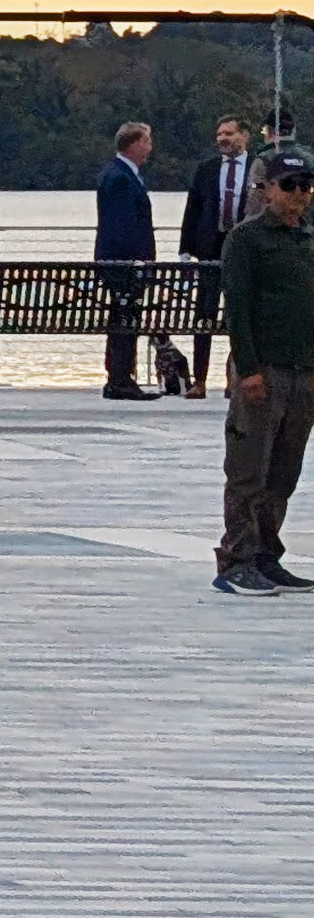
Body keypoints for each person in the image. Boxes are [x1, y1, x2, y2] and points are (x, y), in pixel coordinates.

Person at [211, 149, 314, 596]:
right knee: (249, 469)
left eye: (305, 187)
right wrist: (247, 369)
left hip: (304, 372)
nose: (298, 196)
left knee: (283, 473)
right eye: (288, 186)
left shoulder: (308, 239)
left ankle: (267, 556)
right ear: (267, 189)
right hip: (264, 371)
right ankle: (236, 559)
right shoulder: (247, 239)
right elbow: (238, 307)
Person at [186, 116, 258, 395]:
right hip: (209, 250)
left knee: (238, 314)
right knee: (203, 313)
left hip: (242, 251)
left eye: (228, 133)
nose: (222, 139)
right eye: (219, 134)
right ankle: (199, 380)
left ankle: (235, 377)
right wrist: (186, 248)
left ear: (245, 136)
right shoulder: (207, 169)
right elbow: (193, 209)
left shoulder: (257, 168)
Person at [98, 119, 159, 401]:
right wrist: (137, 261)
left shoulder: (119, 174)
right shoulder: (121, 178)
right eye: (146, 141)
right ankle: (121, 377)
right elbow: (123, 226)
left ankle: (120, 376)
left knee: (122, 315)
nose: (150, 147)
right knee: (124, 316)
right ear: (134, 144)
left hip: (118, 260)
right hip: (122, 263)